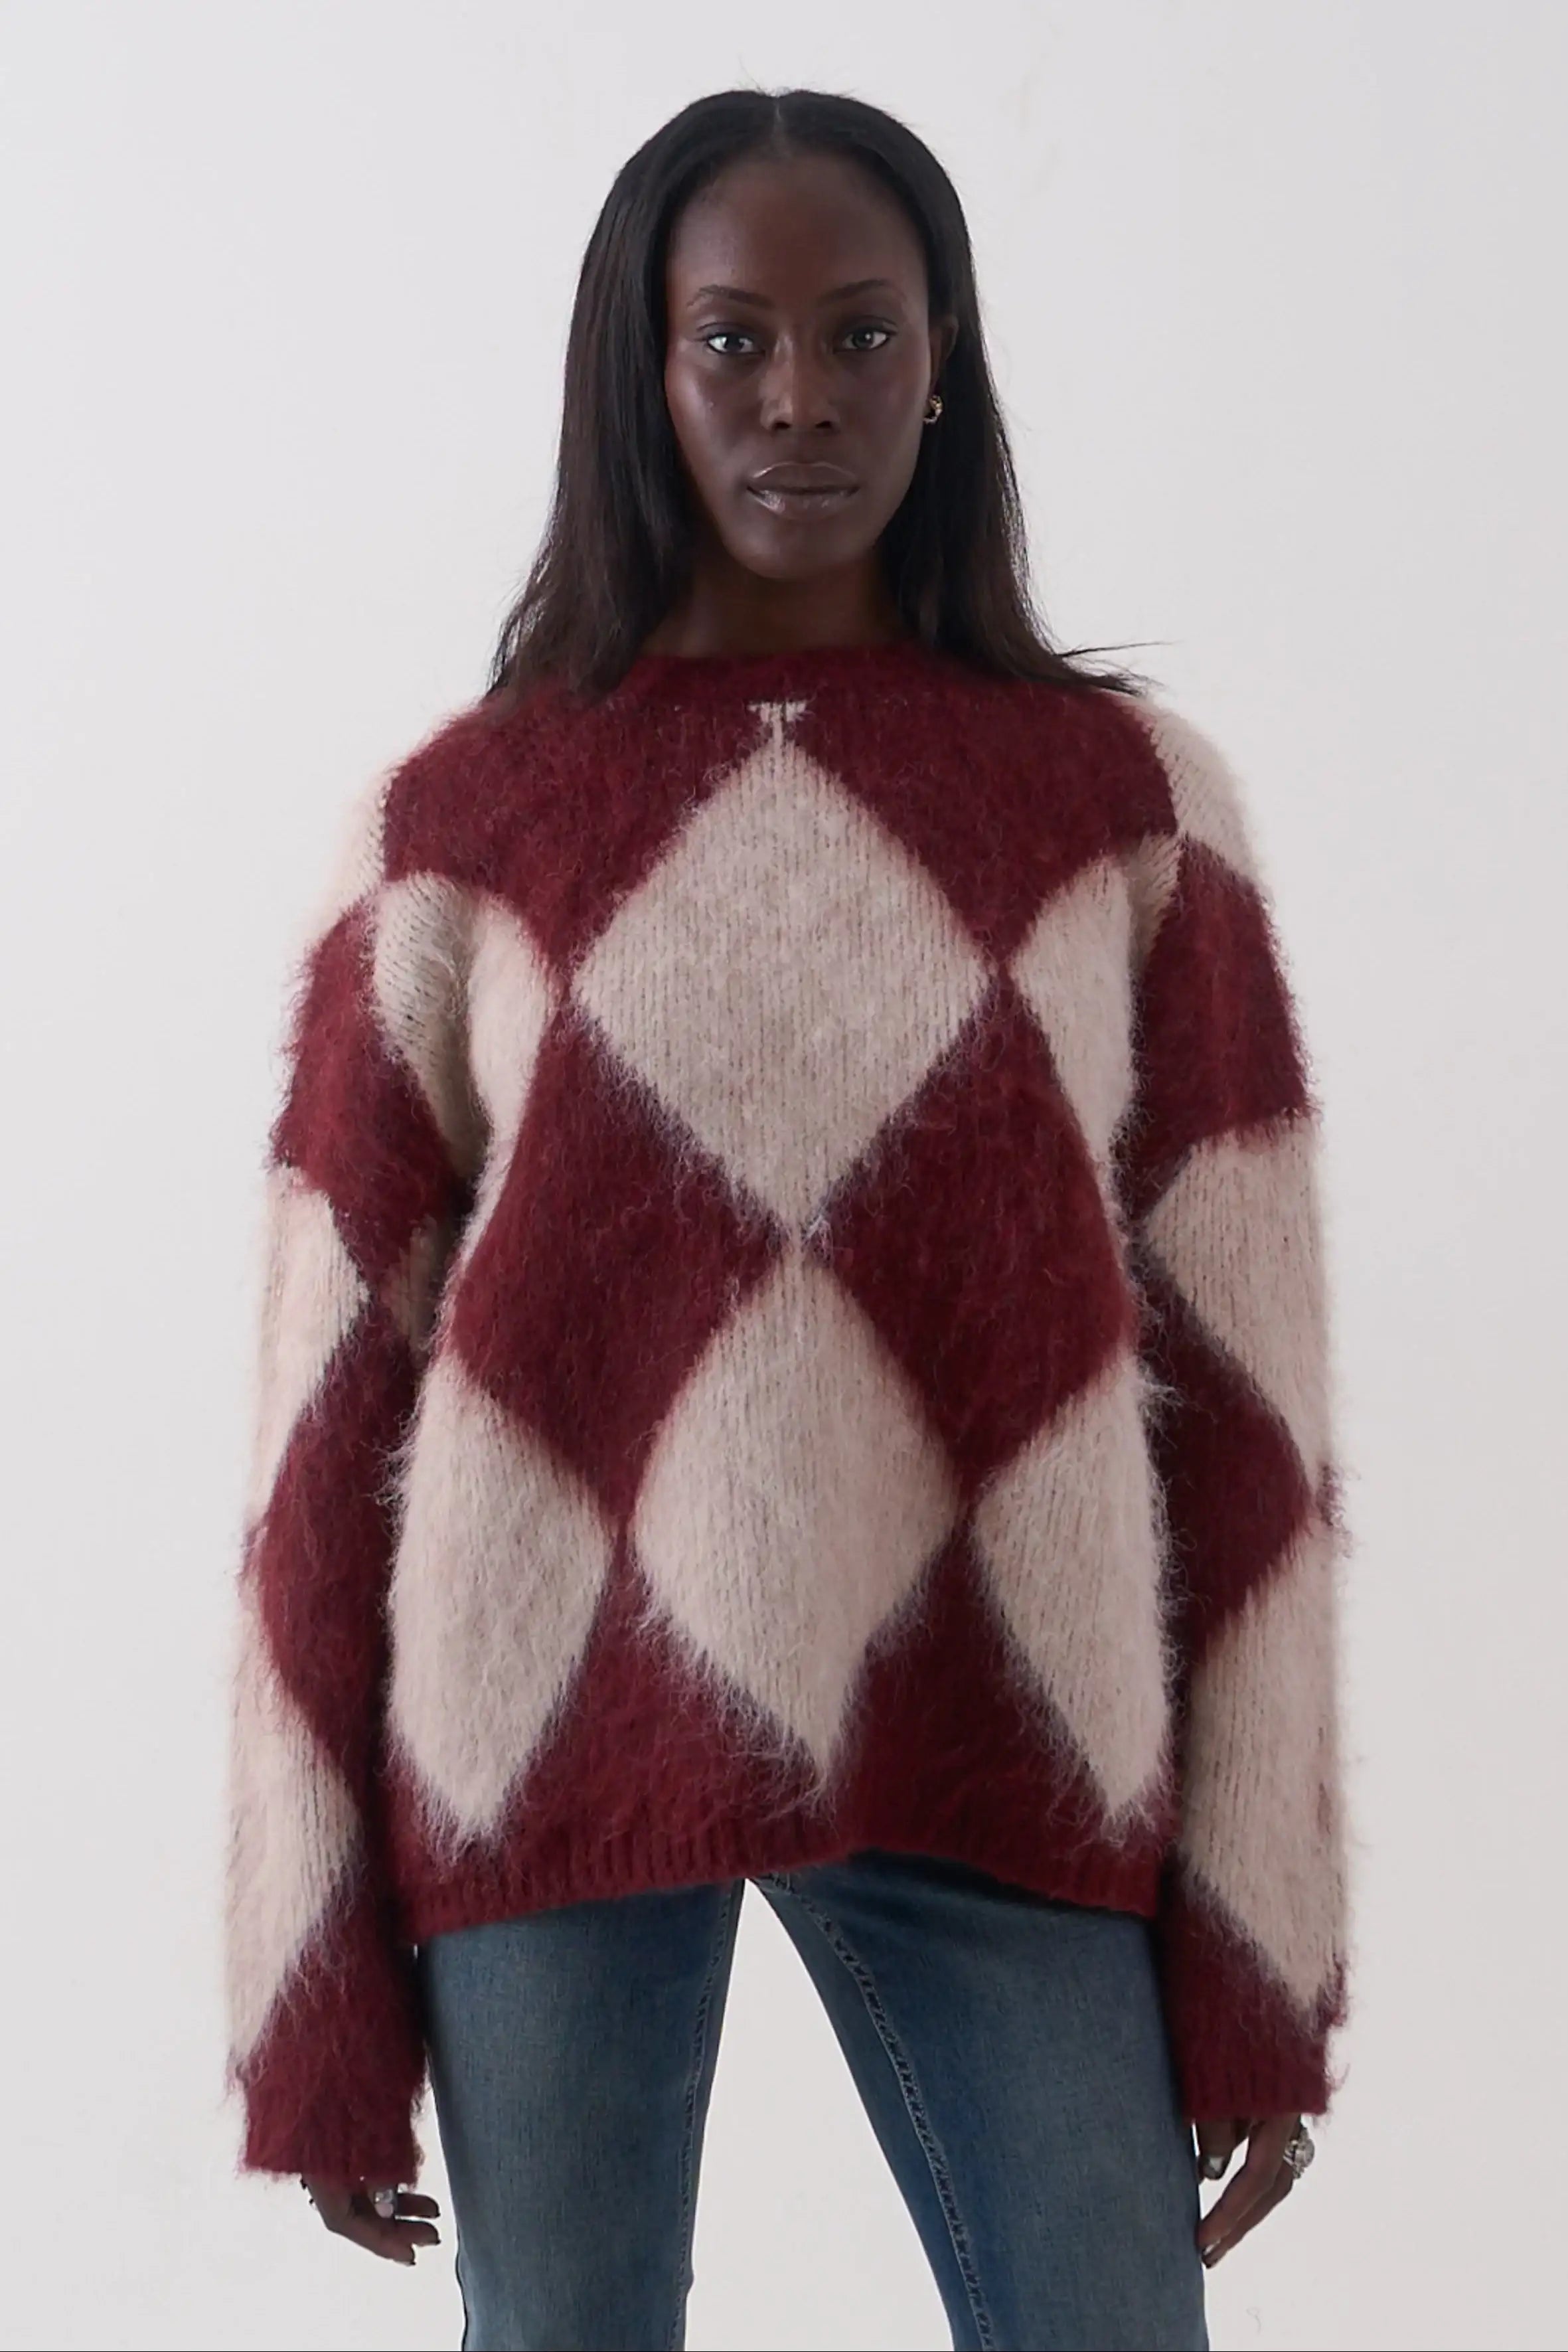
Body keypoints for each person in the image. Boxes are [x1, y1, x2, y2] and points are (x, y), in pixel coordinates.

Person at [222, 84, 1353, 2352]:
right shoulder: (458, 824)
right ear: (637, 371)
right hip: (537, 1725)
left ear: (943, 361)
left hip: (1003, 1711)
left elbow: (1246, 1395)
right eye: (731, 338)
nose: (800, 397)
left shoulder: (1121, 808)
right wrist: (310, 1987)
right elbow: (325, 1412)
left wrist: (1257, 1942)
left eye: (859, 333)